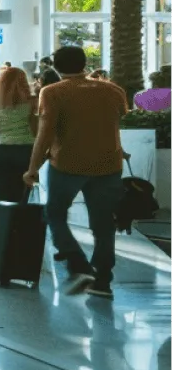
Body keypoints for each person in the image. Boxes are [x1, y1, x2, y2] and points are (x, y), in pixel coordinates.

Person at [25, 44, 128, 298]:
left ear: (56, 67)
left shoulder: (52, 92)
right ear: (83, 63)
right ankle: (103, 279)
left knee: (54, 214)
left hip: (67, 164)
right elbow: (115, 121)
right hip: (108, 165)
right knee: (103, 224)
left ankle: (77, 264)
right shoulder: (113, 90)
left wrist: (32, 168)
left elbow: (44, 134)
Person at [0, 66, 37, 204]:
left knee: (2, 199)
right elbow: (34, 130)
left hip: (0, 153)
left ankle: (5, 225)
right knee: (22, 198)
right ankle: (22, 225)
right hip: (26, 152)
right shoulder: (32, 101)